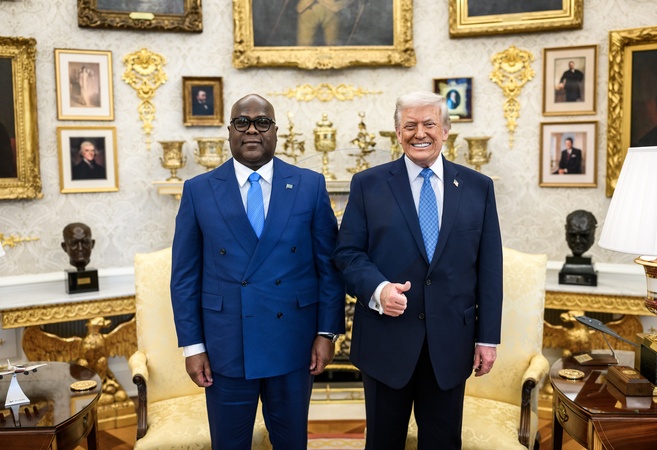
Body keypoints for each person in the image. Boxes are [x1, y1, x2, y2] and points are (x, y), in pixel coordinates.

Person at [171, 93, 345, 449]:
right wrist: (192, 347)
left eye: (262, 122)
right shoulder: (198, 190)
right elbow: (185, 277)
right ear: (230, 132)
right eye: (242, 122)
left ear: (275, 131)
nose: (252, 130)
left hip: (293, 344)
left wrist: (327, 333)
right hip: (225, 347)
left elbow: (329, 268)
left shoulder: (310, 185)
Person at [332, 91, 503, 450]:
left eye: (429, 124)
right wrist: (379, 290)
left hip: (451, 346)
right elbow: (347, 254)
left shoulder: (478, 187)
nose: (419, 133)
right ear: (398, 133)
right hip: (385, 342)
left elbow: (489, 268)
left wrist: (487, 339)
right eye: (410, 125)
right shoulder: (368, 184)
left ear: (446, 130)